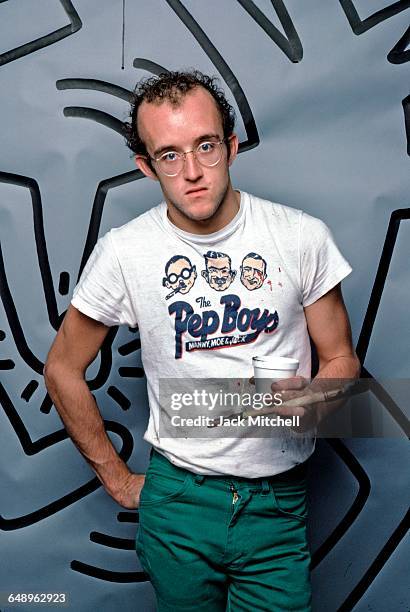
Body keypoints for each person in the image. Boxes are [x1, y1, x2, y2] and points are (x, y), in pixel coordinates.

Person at [44, 70, 360, 611]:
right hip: (179, 501)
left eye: (206, 147)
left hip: (277, 503)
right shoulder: (126, 252)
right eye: (169, 155)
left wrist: (306, 404)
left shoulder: (301, 236)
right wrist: (118, 480)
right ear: (147, 166)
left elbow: (341, 358)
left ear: (231, 148)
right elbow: (61, 369)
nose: (192, 172)